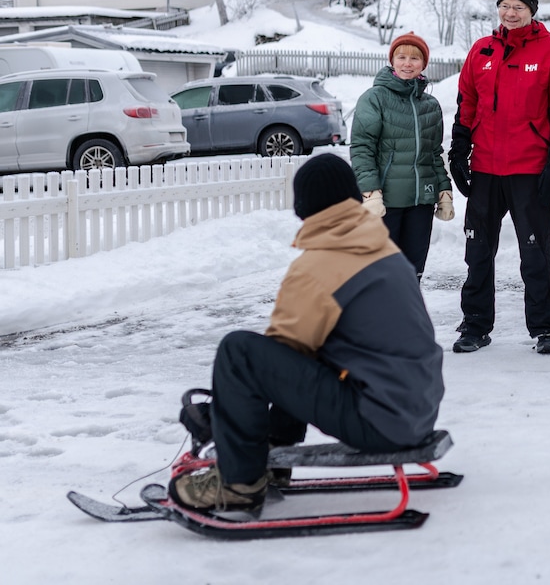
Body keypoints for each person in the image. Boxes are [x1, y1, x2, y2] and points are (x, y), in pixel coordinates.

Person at [169, 153, 445, 510]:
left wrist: (223, 417)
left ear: (304, 209)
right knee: (314, 351)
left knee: (239, 352)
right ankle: (274, 455)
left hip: (380, 421)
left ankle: (239, 482)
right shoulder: (383, 248)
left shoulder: (319, 266)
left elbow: (274, 363)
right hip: (416, 410)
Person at [448, 0, 550, 355]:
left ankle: (546, 329)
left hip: (529, 170)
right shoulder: (481, 51)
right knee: (477, 252)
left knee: (536, 253)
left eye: (518, 7)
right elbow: (466, 102)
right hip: (486, 169)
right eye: (505, 6)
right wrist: (459, 150)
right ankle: (475, 326)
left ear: (532, 10)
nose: (510, 13)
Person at [349, 32, 455, 280]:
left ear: (423, 64)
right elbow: (362, 148)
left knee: (413, 272)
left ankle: (410, 307)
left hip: (421, 203)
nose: (408, 63)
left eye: (414, 58)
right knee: (383, 271)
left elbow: (434, 152)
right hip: (386, 203)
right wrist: (370, 192)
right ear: (392, 61)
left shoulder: (430, 105)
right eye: (402, 57)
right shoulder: (374, 98)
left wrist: (444, 190)